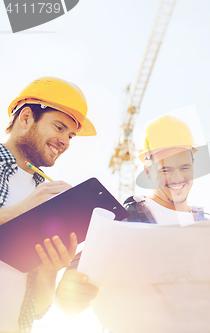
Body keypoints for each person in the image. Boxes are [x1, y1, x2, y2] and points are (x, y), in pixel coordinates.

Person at [55, 115, 206, 316]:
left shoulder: (204, 224)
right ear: (148, 172)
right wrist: (69, 289)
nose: (177, 177)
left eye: (184, 167)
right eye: (165, 169)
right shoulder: (125, 220)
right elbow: (71, 294)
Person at [0, 77, 96, 333]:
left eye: (71, 135)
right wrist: (18, 211)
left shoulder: (47, 195)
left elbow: (37, 309)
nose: (65, 141)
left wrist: (50, 271)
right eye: (59, 127)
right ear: (26, 118)